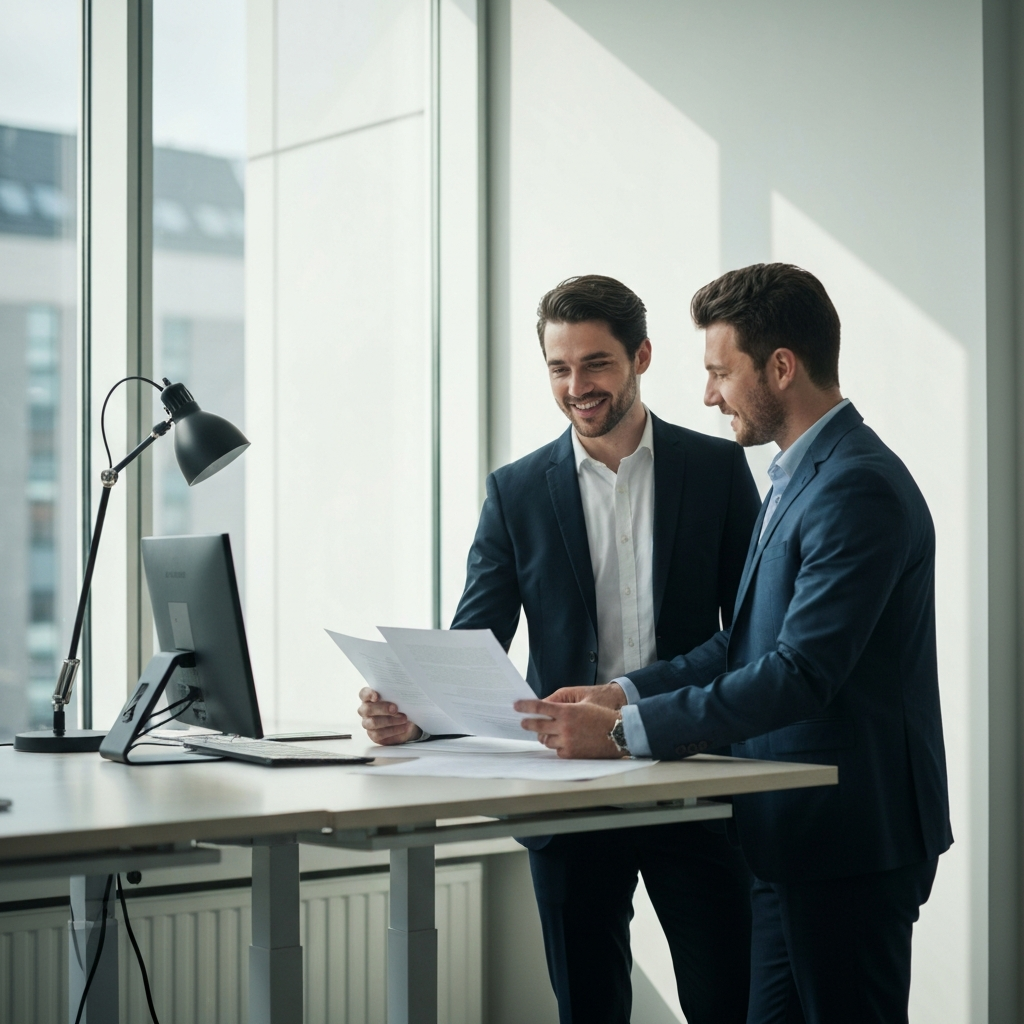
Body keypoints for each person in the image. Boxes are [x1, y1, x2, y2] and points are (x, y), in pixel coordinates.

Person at [515, 263, 953, 1024]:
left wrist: (623, 734)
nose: (710, 395)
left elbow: (798, 673)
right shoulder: (797, 476)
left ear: (780, 368)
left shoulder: (856, 487)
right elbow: (743, 645)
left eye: (720, 372)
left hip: (849, 838)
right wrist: (623, 693)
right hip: (787, 839)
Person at [358, 274, 761, 1024]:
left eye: (596, 363)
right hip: (568, 790)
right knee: (589, 1008)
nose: (578, 386)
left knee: (728, 1004)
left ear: (640, 356)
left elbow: (746, 634)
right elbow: (474, 640)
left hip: (695, 776)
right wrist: (416, 712)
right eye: (558, 367)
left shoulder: (717, 472)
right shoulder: (516, 492)